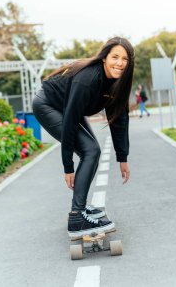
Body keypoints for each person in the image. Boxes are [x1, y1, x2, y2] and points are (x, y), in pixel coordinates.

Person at [32, 37, 135, 238]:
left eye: (125, 59)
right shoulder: (88, 79)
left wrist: (122, 157)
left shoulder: (117, 84)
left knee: (92, 151)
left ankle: (79, 210)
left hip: (67, 108)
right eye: (115, 57)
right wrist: (67, 165)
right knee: (90, 150)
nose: (120, 63)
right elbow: (70, 120)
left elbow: (119, 120)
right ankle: (77, 216)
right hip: (48, 105)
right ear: (105, 58)